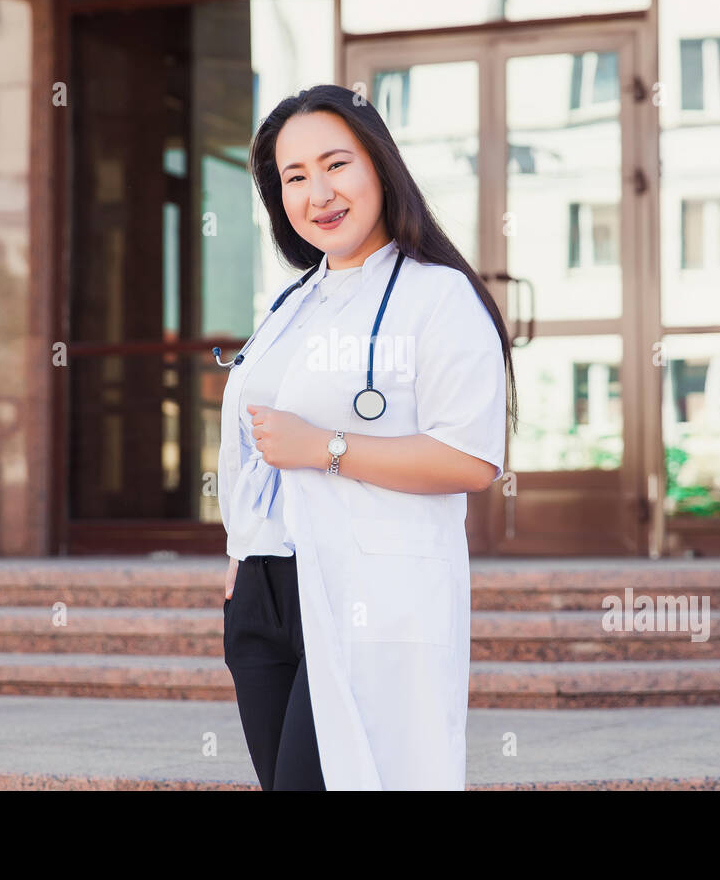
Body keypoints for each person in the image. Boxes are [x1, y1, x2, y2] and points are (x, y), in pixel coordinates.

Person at [216, 83, 518, 790]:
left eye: (335, 165)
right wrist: (242, 550)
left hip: (369, 591)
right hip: (267, 592)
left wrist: (327, 448)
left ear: (380, 166)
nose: (317, 192)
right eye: (294, 178)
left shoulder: (437, 297)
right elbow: (254, 442)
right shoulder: (292, 304)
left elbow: (472, 459)